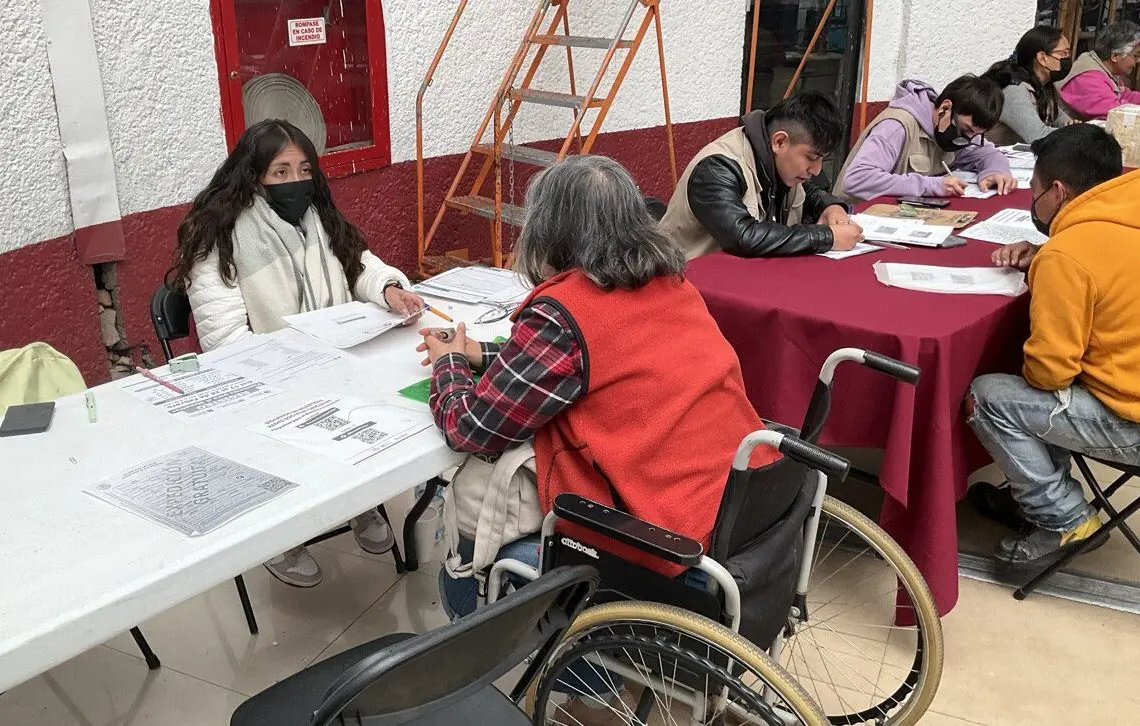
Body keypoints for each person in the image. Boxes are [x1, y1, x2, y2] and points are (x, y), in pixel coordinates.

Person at [419, 154, 780, 724]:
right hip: (744, 503)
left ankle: (594, 685)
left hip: (666, 544)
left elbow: (471, 427)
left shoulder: (565, 311)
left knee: (476, 557)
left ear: (549, 230)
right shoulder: (671, 284)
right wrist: (482, 353)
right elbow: (596, 363)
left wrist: (448, 365)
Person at [166, 119, 426, 588]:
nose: (295, 182)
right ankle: (279, 536)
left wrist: (389, 289)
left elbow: (359, 264)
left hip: (331, 364)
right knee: (321, 409)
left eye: (304, 170)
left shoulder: (317, 217)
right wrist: (302, 365)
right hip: (261, 383)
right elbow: (225, 341)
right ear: (253, 177)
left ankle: (360, 498)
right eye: (280, 172)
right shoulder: (219, 238)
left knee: (376, 393)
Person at [967, 124, 1140, 569]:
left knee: (989, 397)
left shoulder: (1069, 255)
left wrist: (1054, 266)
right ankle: (1031, 495)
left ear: (1057, 191)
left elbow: (1049, 374)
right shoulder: (1137, 209)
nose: (1032, 201)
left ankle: (1064, 518)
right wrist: (1048, 256)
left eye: (1033, 190)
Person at [659, 91, 863, 259]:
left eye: (822, 159)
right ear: (779, 142)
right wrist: (826, 237)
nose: (817, 170)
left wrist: (831, 207)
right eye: (811, 157)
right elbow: (743, 237)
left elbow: (807, 192)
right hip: (690, 284)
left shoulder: (778, 164)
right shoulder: (716, 169)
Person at [833, 76, 1016, 203]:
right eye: (966, 130)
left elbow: (988, 153)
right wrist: (931, 186)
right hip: (857, 219)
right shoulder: (897, 126)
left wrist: (995, 171)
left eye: (975, 135)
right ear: (945, 108)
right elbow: (856, 179)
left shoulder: (952, 129)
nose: (966, 139)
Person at [983, 27, 1076, 145]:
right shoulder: (1014, 89)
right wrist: (1077, 134)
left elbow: (1058, 118)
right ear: (1042, 58)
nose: (1068, 58)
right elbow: (1037, 136)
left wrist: (1072, 126)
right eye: (1064, 53)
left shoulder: (1043, 86)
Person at [1058, 20, 1140, 120]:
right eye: (1136, 55)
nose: (1139, 60)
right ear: (1115, 56)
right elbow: (1115, 112)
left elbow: (1125, 95)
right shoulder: (1088, 78)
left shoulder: (1102, 69)